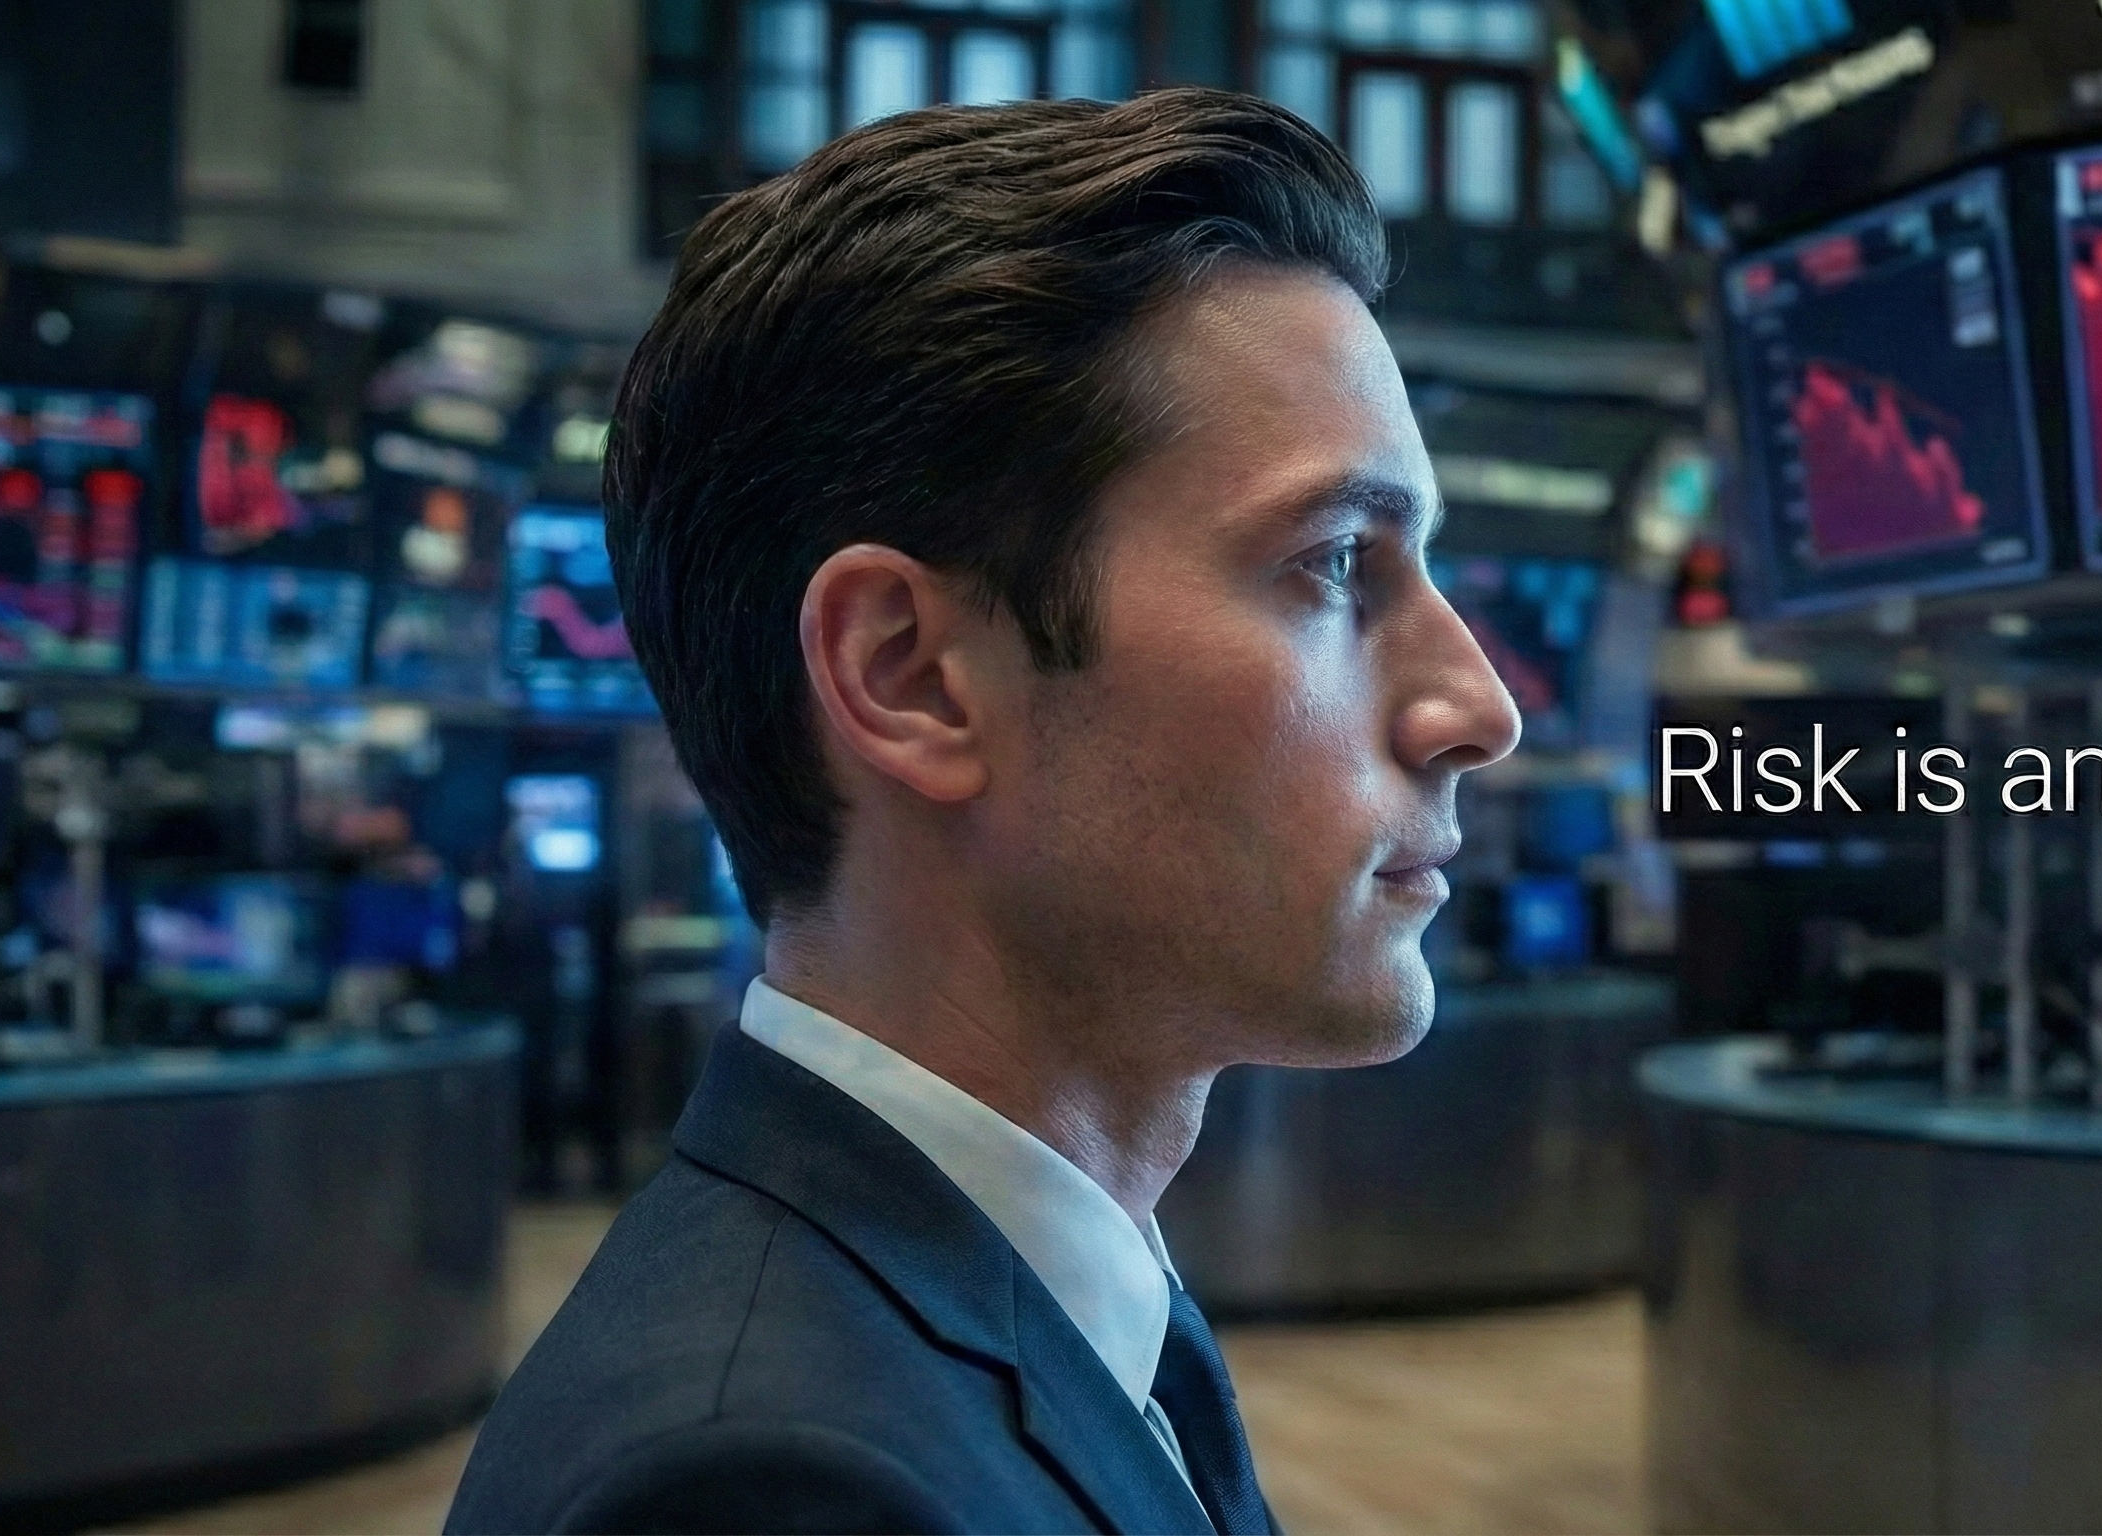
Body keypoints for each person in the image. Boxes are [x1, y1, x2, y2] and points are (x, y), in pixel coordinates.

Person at [443, 88, 1520, 1536]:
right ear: (912, 675)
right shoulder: (772, 1490)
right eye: (1335, 564)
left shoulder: (1029, 1293)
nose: (1478, 708)